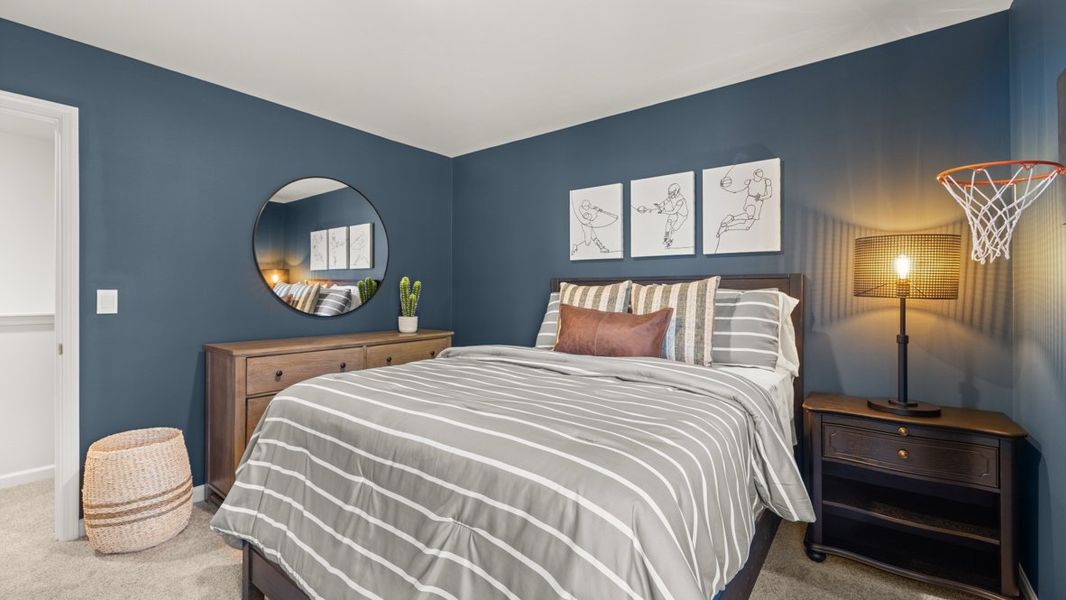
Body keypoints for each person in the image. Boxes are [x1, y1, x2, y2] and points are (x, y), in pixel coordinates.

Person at [714, 168, 772, 251]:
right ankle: (732, 218)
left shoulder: (767, 181)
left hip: (758, 201)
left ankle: (727, 227)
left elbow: (769, 194)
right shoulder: (749, 181)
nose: (757, 177)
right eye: (756, 175)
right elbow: (738, 189)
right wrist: (724, 186)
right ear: (754, 174)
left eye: (759, 176)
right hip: (751, 200)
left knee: (747, 226)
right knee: (749, 215)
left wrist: (760, 197)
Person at [634, 182, 689, 248]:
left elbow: (673, 211)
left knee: (673, 229)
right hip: (676, 213)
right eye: (669, 193)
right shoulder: (671, 197)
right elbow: (665, 201)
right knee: (668, 223)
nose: (669, 194)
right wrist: (659, 206)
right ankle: (666, 238)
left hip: (682, 216)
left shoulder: (680, 200)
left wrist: (663, 211)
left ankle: (669, 241)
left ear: (676, 192)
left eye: (671, 193)